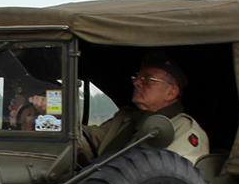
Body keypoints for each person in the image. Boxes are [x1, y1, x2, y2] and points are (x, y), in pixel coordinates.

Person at [32, 51, 209, 164]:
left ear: (171, 93)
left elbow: (175, 181)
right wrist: (56, 116)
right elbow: (89, 143)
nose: (137, 82)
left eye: (148, 79)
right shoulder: (126, 119)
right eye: (138, 77)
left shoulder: (182, 128)